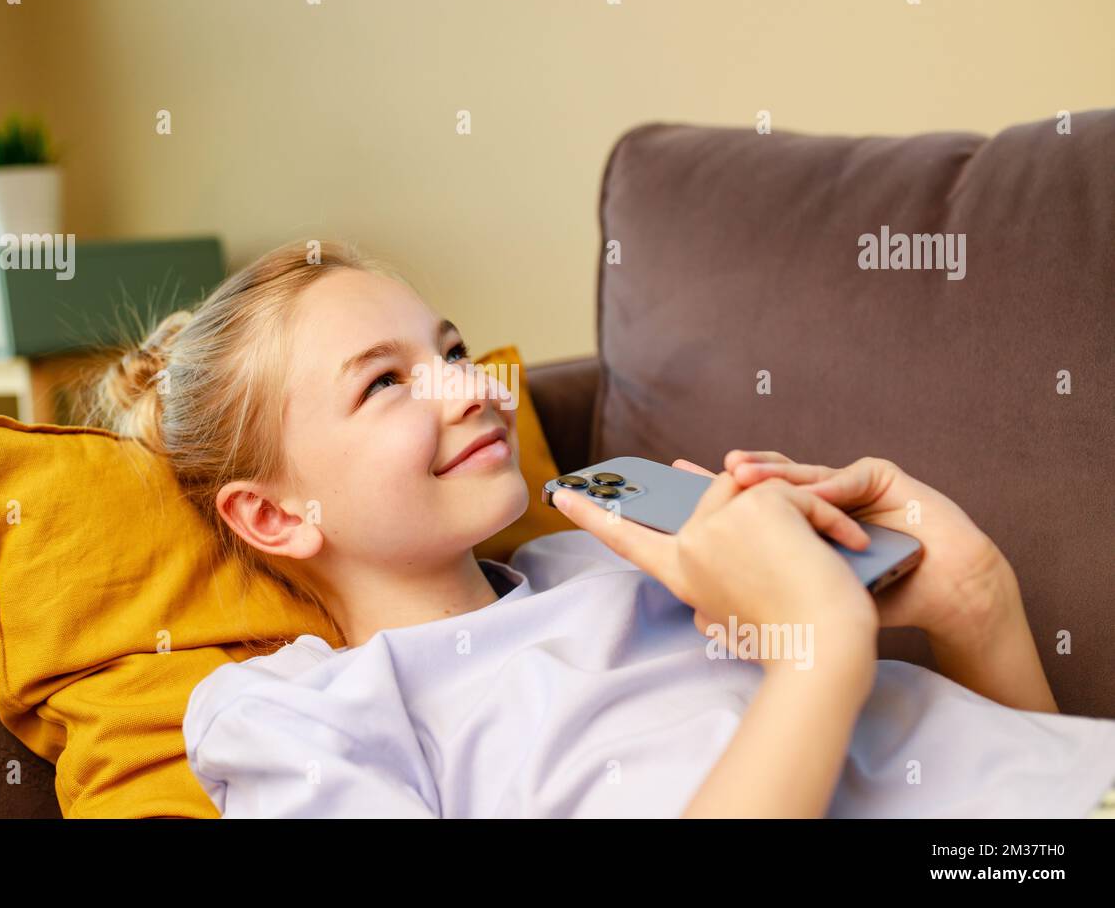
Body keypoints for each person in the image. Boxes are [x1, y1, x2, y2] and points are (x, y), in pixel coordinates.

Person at [90, 238, 1115, 817]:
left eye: (449, 347)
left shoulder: (614, 551)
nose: (468, 385)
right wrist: (818, 649)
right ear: (270, 513)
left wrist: (977, 598)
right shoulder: (295, 712)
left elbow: (1028, 786)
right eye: (387, 382)